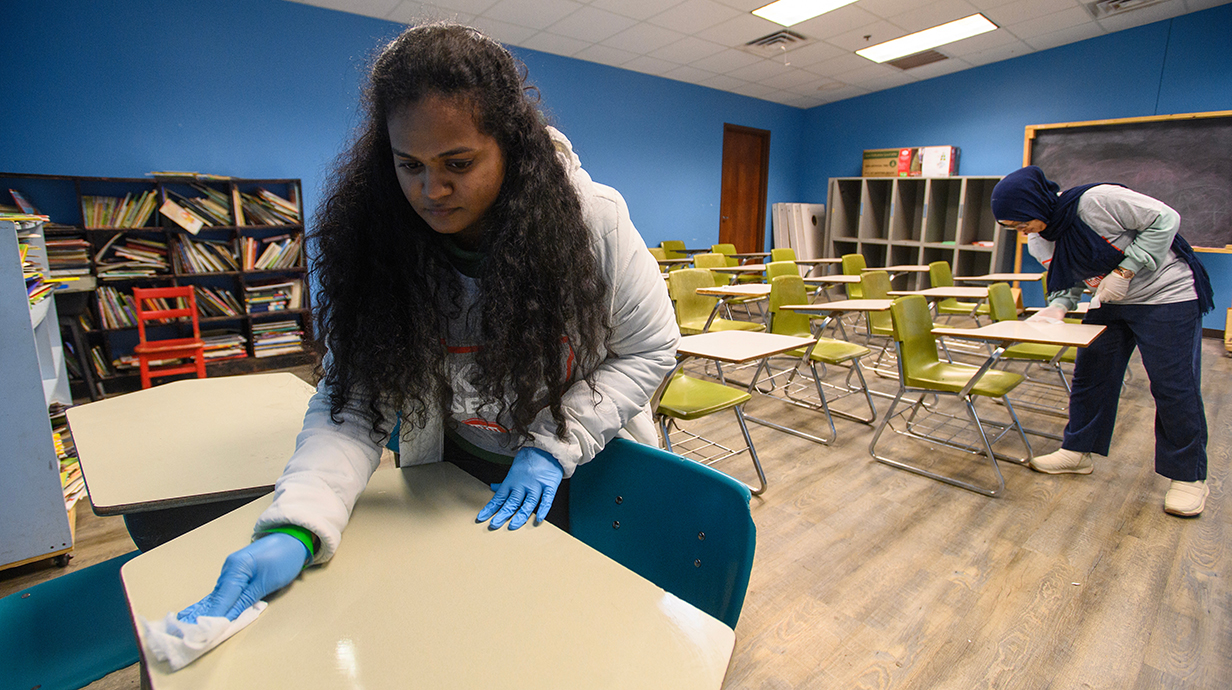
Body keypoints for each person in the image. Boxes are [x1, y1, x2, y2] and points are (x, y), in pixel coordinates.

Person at [177, 23, 679, 623]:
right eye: (408, 164)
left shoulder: (593, 221)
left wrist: (554, 444)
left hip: (585, 469)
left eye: (458, 163)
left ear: (509, 146)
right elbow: (354, 402)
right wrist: (300, 525)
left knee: (577, 623)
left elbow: (650, 350)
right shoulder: (378, 242)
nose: (431, 189)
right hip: (453, 477)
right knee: (469, 622)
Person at [991, 166, 1214, 517]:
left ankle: (1189, 478)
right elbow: (1069, 277)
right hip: (1109, 301)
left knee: (1174, 385)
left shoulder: (1097, 201)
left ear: (1038, 203)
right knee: (1091, 377)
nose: (1021, 232)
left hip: (1166, 297)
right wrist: (1059, 307)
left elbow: (1166, 218)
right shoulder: (1038, 237)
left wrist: (1125, 270)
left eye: (1022, 222)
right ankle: (1077, 451)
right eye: (1011, 228)